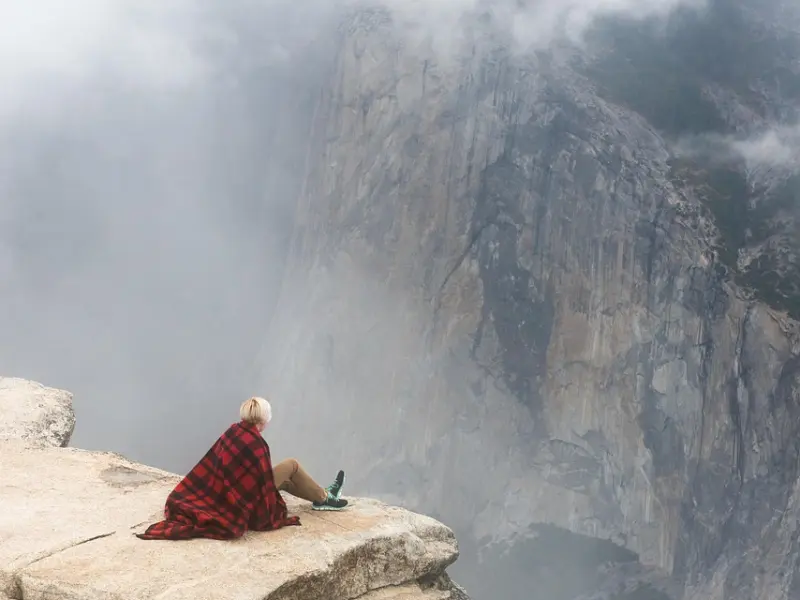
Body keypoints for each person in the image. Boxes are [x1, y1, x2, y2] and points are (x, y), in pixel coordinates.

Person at [136, 396, 347, 541]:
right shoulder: (257, 444)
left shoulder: (233, 431)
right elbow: (264, 483)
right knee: (291, 465)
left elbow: (212, 462)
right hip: (245, 500)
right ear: (265, 418)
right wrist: (270, 508)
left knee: (288, 480)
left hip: (227, 493)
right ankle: (325, 498)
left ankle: (323, 497)